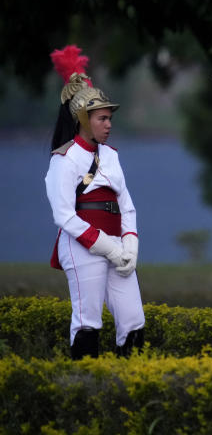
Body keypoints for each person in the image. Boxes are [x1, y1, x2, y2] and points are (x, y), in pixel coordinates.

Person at [45, 45, 145, 359]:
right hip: (82, 245)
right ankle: (85, 389)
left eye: (109, 118)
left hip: (117, 243)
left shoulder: (112, 156)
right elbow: (64, 215)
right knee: (88, 320)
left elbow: (126, 205)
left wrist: (129, 245)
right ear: (83, 120)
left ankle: (127, 386)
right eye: (102, 118)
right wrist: (106, 246)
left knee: (133, 321)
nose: (109, 124)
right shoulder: (64, 160)